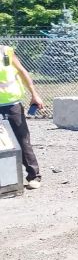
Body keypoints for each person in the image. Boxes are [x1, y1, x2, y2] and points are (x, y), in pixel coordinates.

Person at [0, 45, 44, 189]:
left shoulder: (5, 51)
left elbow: (22, 72)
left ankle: (34, 176)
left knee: (22, 140)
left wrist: (34, 94)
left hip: (11, 104)